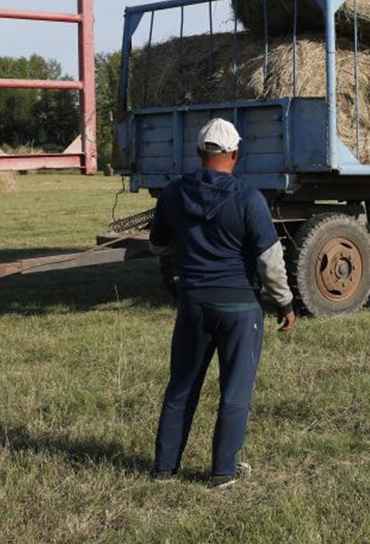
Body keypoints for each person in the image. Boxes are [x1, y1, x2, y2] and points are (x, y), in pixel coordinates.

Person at [149, 117, 295, 488]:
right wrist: (285, 304)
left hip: (193, 303)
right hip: (240, 308)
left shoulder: (172, 193)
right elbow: (269, 260)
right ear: (235, 154)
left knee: (181, 385)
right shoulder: (249, 198)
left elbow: (158, 244)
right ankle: (222, 473)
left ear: (199, 152)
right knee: (235, 391)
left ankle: (165, 468)